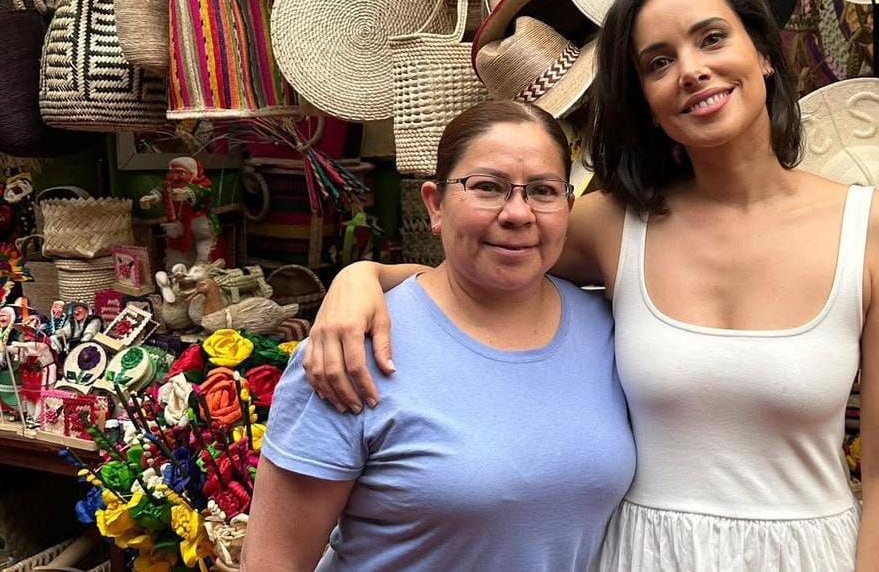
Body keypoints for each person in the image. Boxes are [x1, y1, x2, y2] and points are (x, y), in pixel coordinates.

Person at [305, 0, 879, 571]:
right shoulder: (616, 223)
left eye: (712, 38)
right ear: (647, 102)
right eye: (659, 62)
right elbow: (481, 272)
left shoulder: (873, 232)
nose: (691, 70)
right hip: (641, 554)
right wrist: (364, 278)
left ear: (764, 52)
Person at [243, 101, 636, 572]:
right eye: (487, 187)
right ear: (435, 205)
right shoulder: (351, 348)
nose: (518, 212)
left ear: (568, 209)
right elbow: (274, 561)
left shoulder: (609, 329)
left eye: (542, 190)